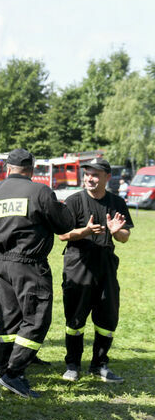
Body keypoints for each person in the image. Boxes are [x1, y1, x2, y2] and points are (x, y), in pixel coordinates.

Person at [0, 149, 75, 398]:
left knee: (11, 319)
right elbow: (65, 224)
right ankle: (13, 374)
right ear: (32, 168)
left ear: (8, 168)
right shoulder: (40, 191)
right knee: (37, 319)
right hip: (29, 263)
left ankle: (6, 368)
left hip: (1, 263)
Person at [58, 157, 132, 383]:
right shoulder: (73, 201)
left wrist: (116, 231)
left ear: (107, 178)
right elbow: (62, 235)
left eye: (95, 175)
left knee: (107, 318)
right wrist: (85, 231)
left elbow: (125, 237)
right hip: (78, 264)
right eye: (87, 174)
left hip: (106, 267)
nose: (89, 178)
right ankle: (72, 365)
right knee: (75, 319)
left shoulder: (117, 202)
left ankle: (100, 365)